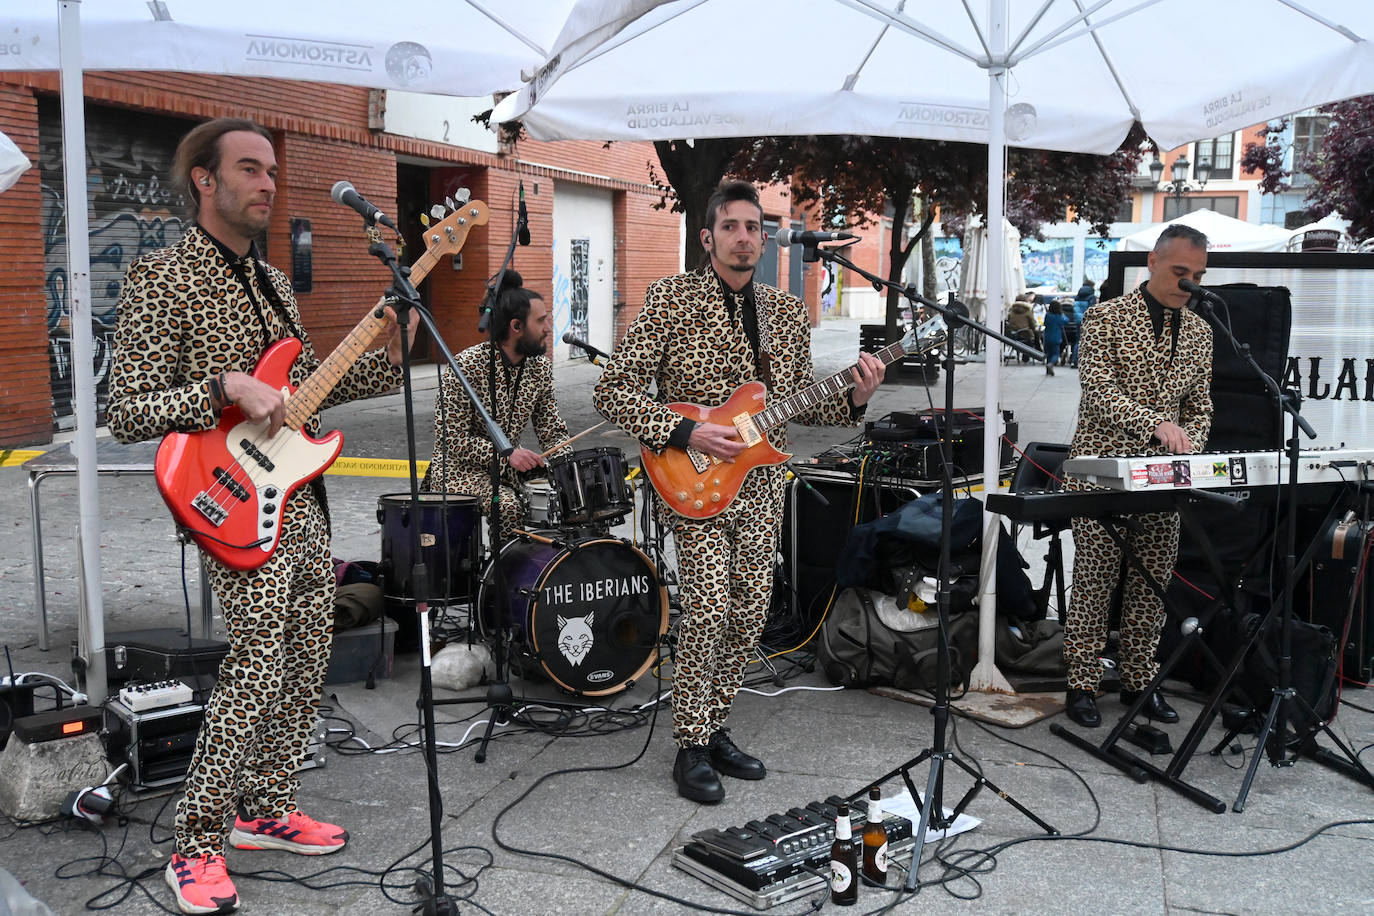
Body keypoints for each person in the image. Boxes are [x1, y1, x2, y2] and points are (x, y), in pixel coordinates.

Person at [106, 118, 413, 915]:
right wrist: (223, 388)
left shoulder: (275, 284)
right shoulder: (163, 278)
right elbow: (127, 410)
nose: (267, 184)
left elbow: (305, 394)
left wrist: (383, 346)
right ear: (205, 181)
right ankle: (195, 845)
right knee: (255, 666)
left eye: (272, 171)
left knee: (308, 655)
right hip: (224, 499)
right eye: (250, 169)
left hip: (295, 498)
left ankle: (264, 809)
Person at [593, 181, 885, 803]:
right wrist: (687, 429)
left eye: (754, 227)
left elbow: (800, 406)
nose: (745, 238)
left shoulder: (783, 311)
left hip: (761, 482)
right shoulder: (671, 300)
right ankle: (690, 745)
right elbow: (613, 390)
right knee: (707, 606)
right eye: (732, 227)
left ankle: (715, 723)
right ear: (708, 237)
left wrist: (856, 398)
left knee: (750, 611)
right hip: (691, 478)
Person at [1062, 224, 1214, 728]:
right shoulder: (1105, 317)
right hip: (1101, 473)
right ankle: (1080, 684)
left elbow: (1201, 402)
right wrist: (1155, 423)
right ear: (1152, 262)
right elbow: (1098, 391)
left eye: (1197, 275)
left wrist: (1192, 438)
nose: (1188, 283)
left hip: (1163, 477)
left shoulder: (1200, 330)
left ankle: (1139, 681)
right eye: (1179, 272)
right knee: (1095, 582)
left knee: (1152, 585)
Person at [423, 271, 571, 542]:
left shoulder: (540, 368)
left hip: (508, 472)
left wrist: (570, 469)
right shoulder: (466, 366)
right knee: (508, 507)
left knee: (574, 501)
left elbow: (552, 429)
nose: (549, 328)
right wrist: (507, 455)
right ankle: (502, 579)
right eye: (541, 321)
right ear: (516, 327)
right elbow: (452, 438)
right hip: (460, 471)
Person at [1005, 293, 1038, 363]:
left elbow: (1008, 321)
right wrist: (1034, 328)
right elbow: (1032, 324)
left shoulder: (1011, 310)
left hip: (1013, 336)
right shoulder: (1028, 311)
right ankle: (1029, 356)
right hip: (1026, 335)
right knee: (1035, 337)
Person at [1042, 299, 1069, 376]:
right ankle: (1051, 364)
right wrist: (1062, 314)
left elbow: (1045, 323)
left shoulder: (1048, 315)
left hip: (1047, 337)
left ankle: (1048, 370)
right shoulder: (1059, 317)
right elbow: (1066, 321)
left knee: (1048, 354)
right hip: (1056, 338)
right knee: (1056, 354)